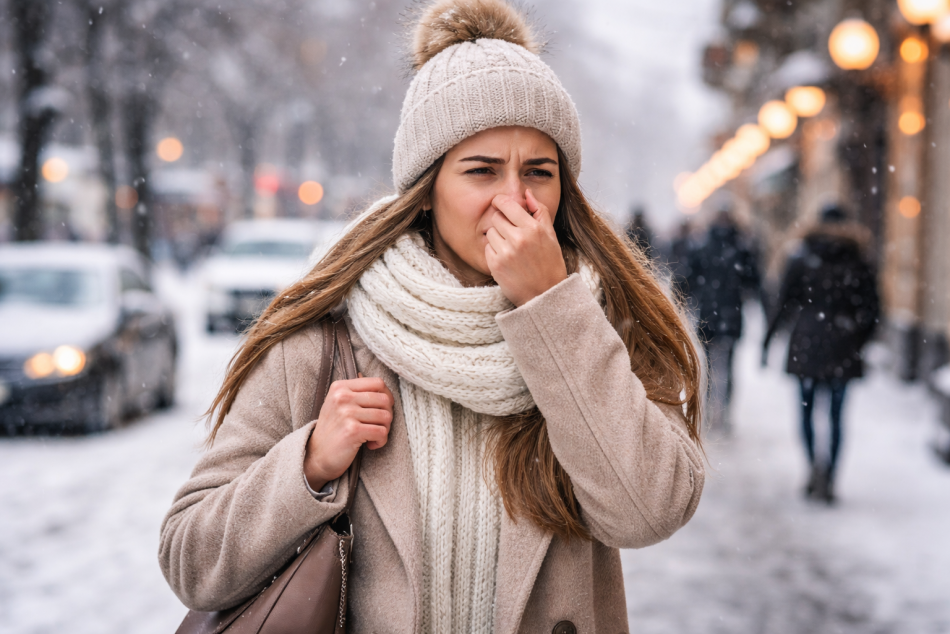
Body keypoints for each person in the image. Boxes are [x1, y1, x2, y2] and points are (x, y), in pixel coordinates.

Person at [159, 1, 705, 632]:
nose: (515, 200)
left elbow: (650, 510)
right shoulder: (327, 338)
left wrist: (552, 310)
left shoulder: (603, 326)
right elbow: (190, 560)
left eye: (539, 172)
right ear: (427, 190)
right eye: (481, 170)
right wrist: (308, 465)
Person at [763, 203, 879, 503]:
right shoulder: (858, 259)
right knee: (837, 415)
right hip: (844, 345)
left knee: (806, 409)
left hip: (808, 342)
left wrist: (768, 339)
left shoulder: (801, 256)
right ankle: (830, 474)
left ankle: (813, 464)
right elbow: (873, 311)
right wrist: (858, 340)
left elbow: (784, 302)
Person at [684, 207, 761, 438]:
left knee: (708, 365)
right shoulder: (741, 247)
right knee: (727, 366)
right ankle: (724, 411)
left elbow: (688, 278)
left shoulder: (704, 245)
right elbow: (754, 281)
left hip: (709, 313)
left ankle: (710, 410)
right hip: (731, 314)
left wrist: (693, 299)